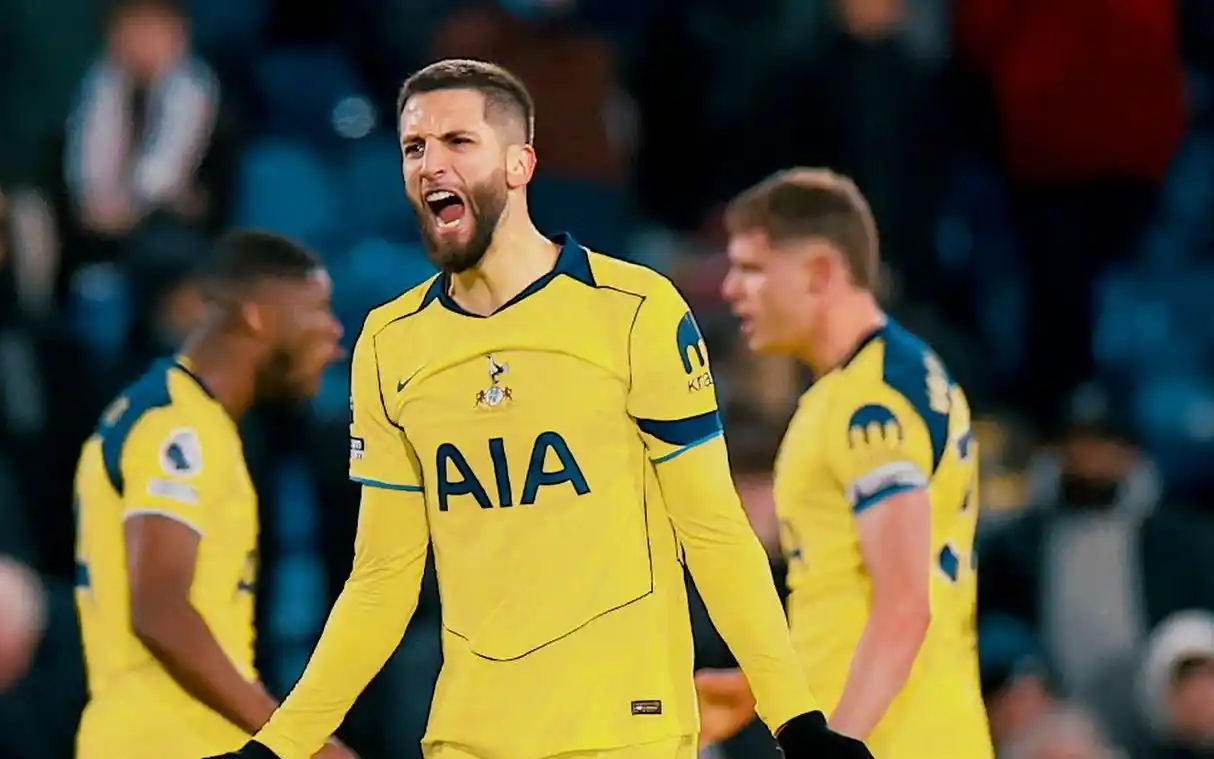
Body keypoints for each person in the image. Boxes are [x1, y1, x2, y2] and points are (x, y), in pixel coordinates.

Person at [208, 59, 870, 759]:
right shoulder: (389, 343)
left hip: (623, 730)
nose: (431, 164)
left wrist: (797, 720)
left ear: (521, 163)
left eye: (458, 142)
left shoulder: (636, 311)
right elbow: (382, 578)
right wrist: (276, 747)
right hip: (470, 735)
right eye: (414, 147)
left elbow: (713, 532)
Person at [703, 168, 993, 759]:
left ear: (820, 273)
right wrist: (765, 690)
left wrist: (833, 744)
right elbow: (849, 591)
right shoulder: (876, 381)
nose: (732, 289)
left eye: (753, 269)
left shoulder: (872, 401)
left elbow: (905, 604)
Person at [72, 230, 352, 759]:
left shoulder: (197, 421)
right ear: (257, 316)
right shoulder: (176, 428)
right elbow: (159, 608)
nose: (335, 334)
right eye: (316, 311)